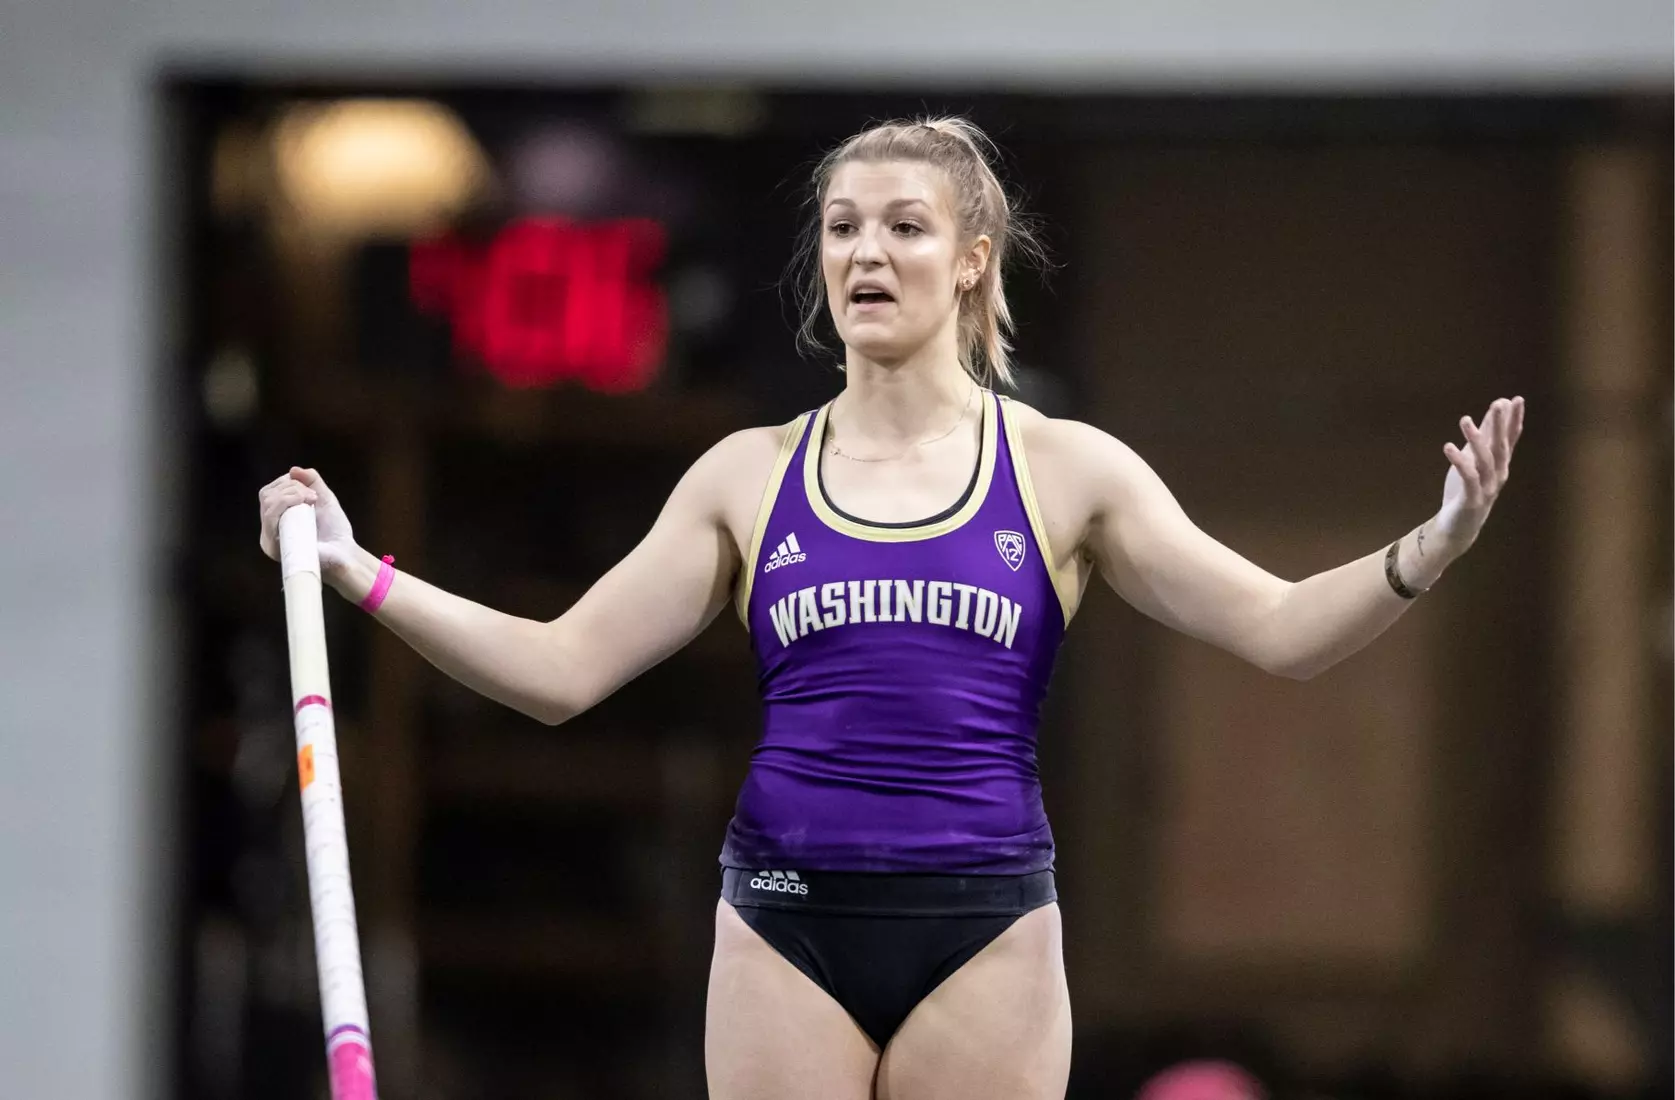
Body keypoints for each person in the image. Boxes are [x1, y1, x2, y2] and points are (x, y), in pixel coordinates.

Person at [257, 117, 1525, 1100]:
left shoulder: (1063, 469)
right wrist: (357, 568)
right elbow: (557, 668)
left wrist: (1434, 541)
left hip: (983, 929)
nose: (867, 252)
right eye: (842, 226)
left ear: (972, 260)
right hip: (782, 922)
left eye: (905, 227)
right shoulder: (748, 476)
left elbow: (1283, 630)